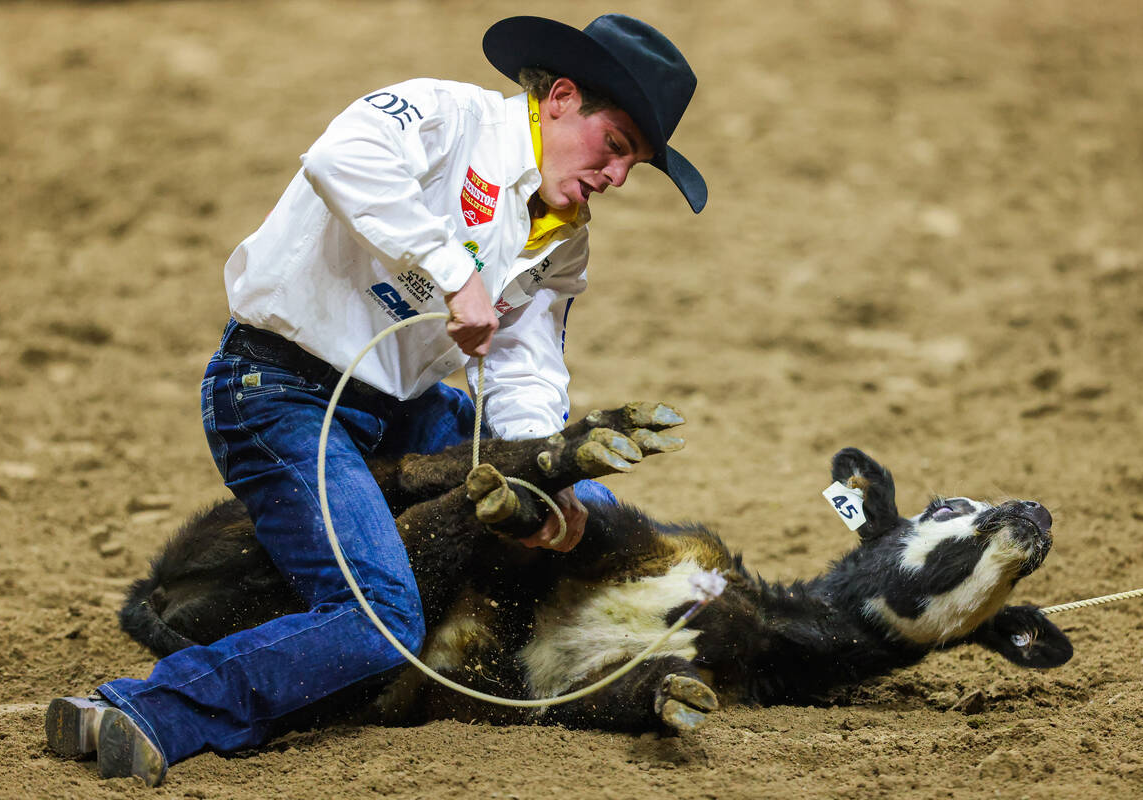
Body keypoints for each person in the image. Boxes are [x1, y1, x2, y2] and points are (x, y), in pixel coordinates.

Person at [45, 13, 706, 786]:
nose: (618, 176)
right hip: (279, 388)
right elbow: (343, 156)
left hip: (403, 406)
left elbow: (528, 366)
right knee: (376, 618)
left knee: (584, 493)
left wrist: (542, 474)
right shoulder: (444, 116)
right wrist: (451, 269)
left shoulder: (564, 238)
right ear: (561, 98)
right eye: (618, 145)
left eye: (636, 164)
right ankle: (145, 710)